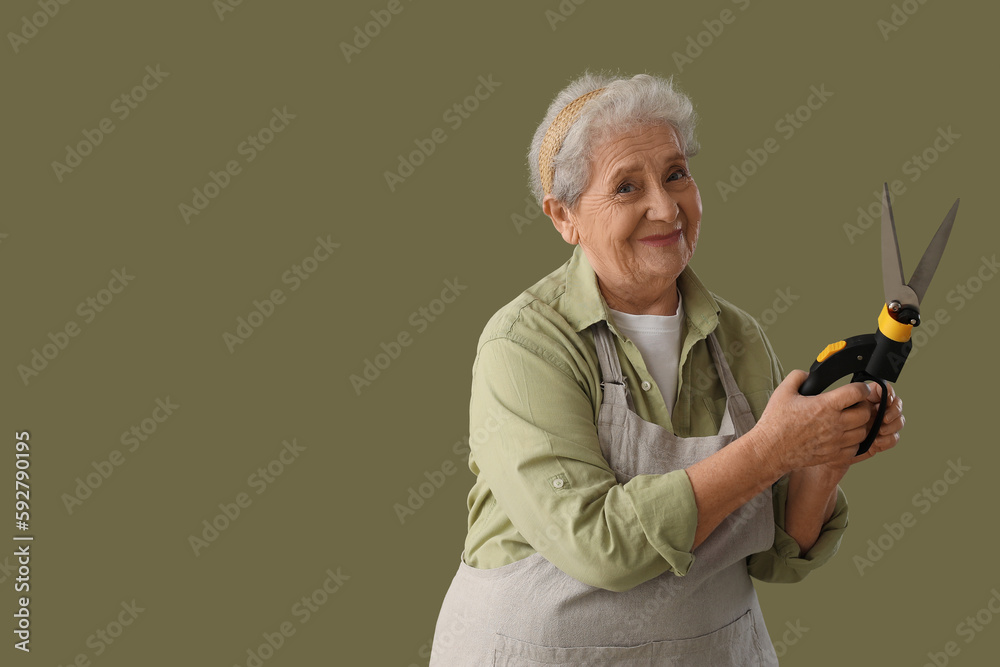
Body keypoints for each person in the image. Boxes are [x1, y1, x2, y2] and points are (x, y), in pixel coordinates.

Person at [429, 71, 904, 666]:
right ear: (564, 217)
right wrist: (773, 450)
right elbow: (601, 545)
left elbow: (775, 554)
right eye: (627, 187)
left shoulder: (738, 339)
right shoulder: (525, 346)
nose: (665, 206)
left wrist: (823, 457)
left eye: (676, 174)